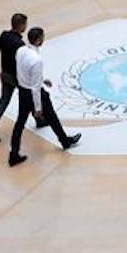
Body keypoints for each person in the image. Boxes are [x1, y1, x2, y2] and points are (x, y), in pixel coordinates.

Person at [9, 27, 81, 167]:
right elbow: (35, 88)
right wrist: (37, 107)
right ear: (38, 40)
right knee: (52, 116)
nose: (44, 39)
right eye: (42, 37)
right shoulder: (36, 60)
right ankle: (65, 141)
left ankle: (13, 154)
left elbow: (23, 71)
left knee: (19, 123)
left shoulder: (20, 50)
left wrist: (41, 80)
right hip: (34, 94)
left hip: (23, 92)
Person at [0, 13, 47, 146]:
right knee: (28, 96)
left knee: (3, 101)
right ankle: (39, 119)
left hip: (5, 74)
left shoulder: (3, 36)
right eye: (25, 24)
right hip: (16, 77)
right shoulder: (20, 44)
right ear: (21, 26)